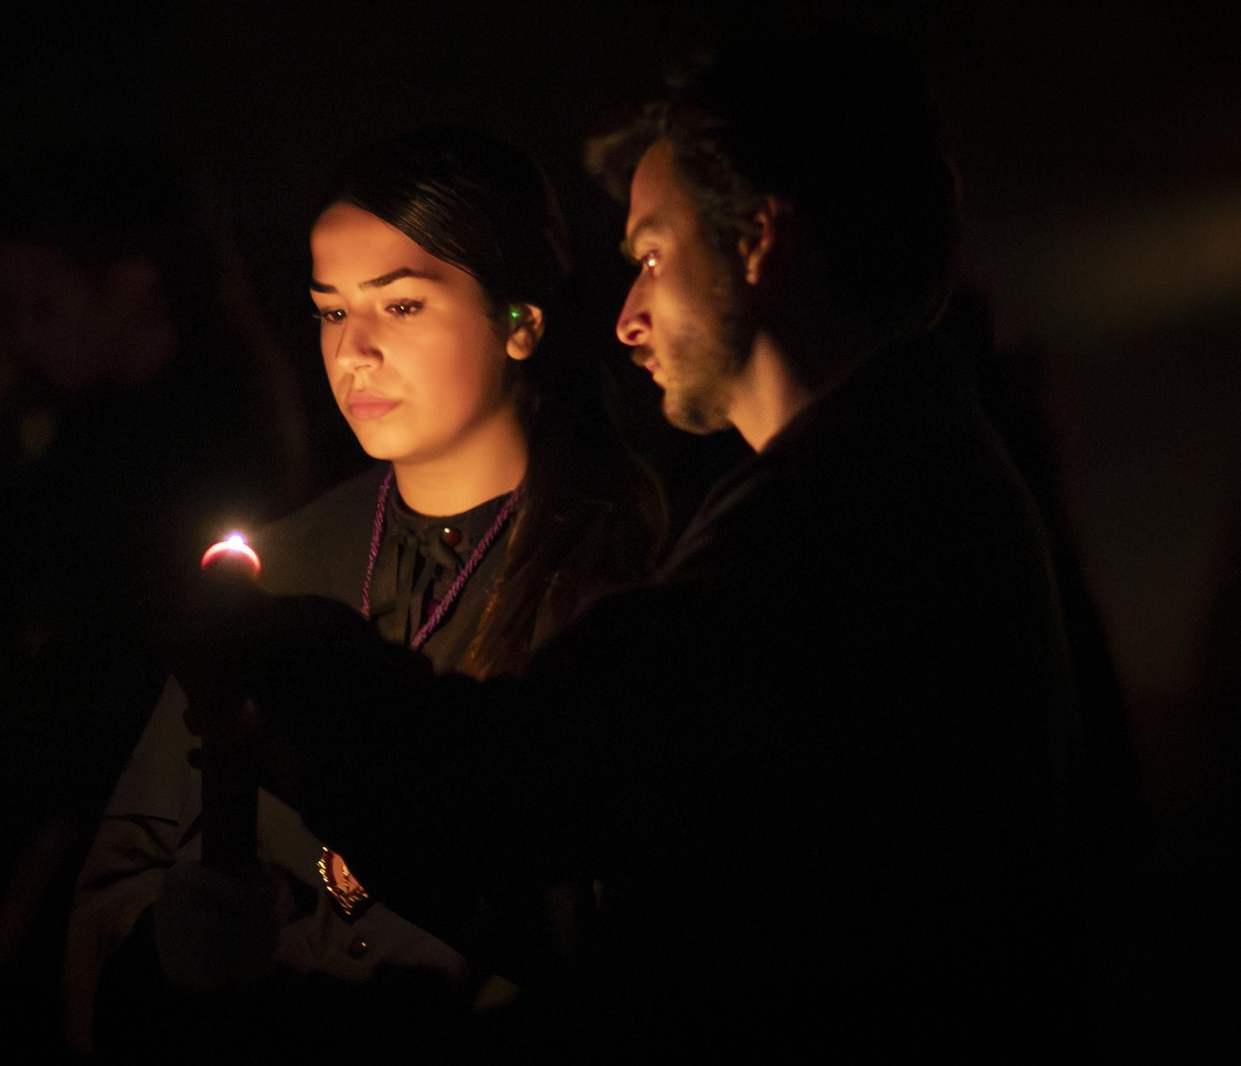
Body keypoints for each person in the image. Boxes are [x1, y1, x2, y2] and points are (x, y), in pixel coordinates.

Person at [204, 22, 1087, 1053]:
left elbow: (527, 785)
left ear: (759, 242)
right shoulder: (900, 466)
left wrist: (276, 652)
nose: (627, 317)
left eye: (655, 256)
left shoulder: (840, 516)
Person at [66, 127, 668, 1055]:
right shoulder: (279, 565)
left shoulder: (624, 565)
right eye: (330, 311)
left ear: (520, 321)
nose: (354, 351)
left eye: (402, 305)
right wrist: (170, 941)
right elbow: (125, 863)